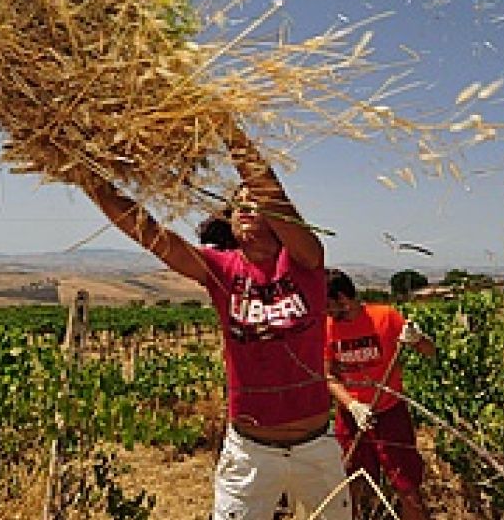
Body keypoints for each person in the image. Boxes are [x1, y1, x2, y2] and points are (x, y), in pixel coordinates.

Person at [82, 129, 351, 519]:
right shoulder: (222, 271)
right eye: (237, 202)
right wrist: (91, 179)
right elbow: (152, 235)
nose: (245, 205)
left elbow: (270, 190)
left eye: (253, 200)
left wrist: (228, 129)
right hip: (250, 453)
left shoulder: (306, 262)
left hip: (316, 448)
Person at [324, 269, 435, 520]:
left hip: (390, 414)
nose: (326, 312)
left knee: (406, 485)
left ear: (343, 298)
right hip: (351, 418)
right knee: (350, 485)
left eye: (327, 305)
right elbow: (328, 377)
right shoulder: (327, 328)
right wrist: (352, 406)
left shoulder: (385, 317)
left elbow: (429, 350)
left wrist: (417, 338)